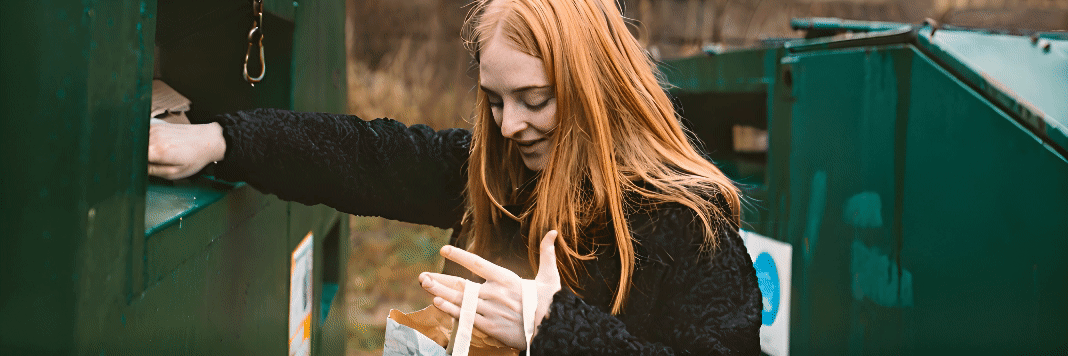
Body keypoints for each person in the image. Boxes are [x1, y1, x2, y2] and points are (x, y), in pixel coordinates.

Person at [148, 0, 762, 354]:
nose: (511, 125)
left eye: (535, 98)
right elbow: (368, 155)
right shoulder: (504, 176)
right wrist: (224, 139)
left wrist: (552, 328)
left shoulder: (688, 222)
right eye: (495, 101)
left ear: (597, 85)